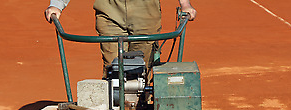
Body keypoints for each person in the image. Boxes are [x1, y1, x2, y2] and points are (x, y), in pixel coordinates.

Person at [44, 0, 196, 72]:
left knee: (143, 66)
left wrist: (185, 4)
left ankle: (141, 106)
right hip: (109, 10)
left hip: (145, 10)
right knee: (113, 66)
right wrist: (56, 5)